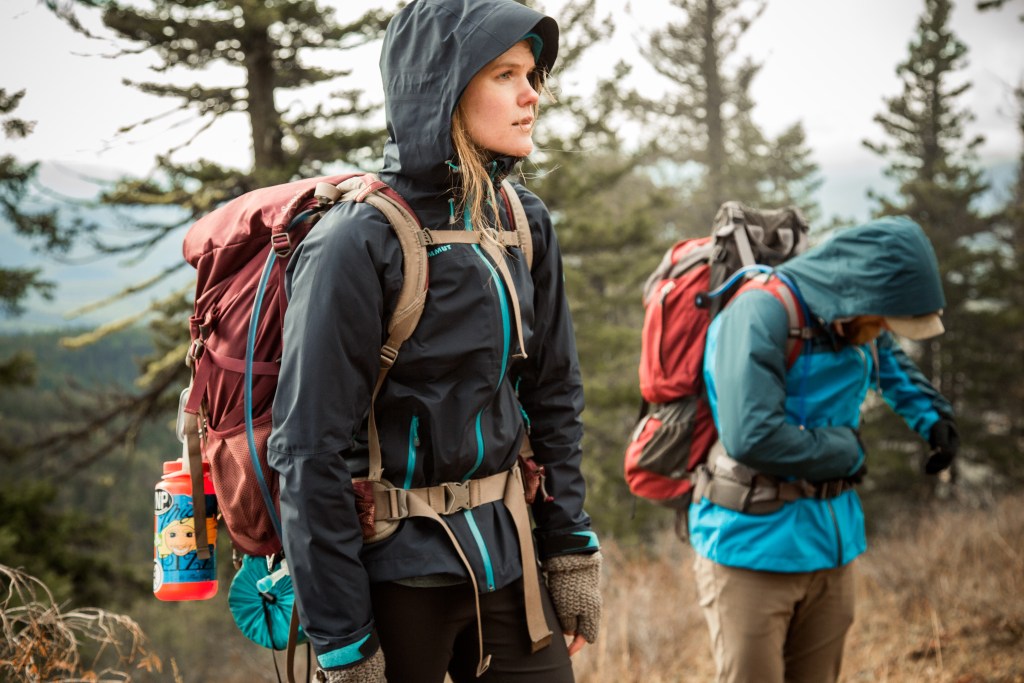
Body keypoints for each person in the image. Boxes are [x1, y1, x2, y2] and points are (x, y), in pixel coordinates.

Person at [266, 1, 602, 682]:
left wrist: (570, 546)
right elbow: (307, 451)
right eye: (505, 74)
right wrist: (343, 641)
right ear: (444, 88)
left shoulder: (522, 222)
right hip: (397, 579)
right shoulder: (355, 242)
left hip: (509, 567)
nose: (531, 94)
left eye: (532, 74)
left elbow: (554, 394)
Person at [689, 216, 959, 683]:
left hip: (832, 547)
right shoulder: (760, 311)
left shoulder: (858, 320)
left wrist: (934, 419)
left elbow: (887, 360)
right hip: (750, 548)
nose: (881, 331)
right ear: (858, 296)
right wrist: (848, 451)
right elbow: (752, 435)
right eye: (880, 321)